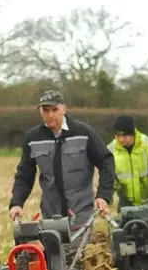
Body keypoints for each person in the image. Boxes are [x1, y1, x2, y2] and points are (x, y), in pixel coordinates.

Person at [8, 90, 115, 236]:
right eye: (46, 110)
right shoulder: (33, 138)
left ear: (64, 109)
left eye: (54, 110)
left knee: (78, 249)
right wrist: (17, 203)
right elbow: (24, 175)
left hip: (81, 211)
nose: (50, 115)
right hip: (51, 213)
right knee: (54, 249)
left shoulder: (84, 133)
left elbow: (106, 162)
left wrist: (103, 195)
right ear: (40, 111)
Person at [106, 115, 148, 210]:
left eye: (124, 136)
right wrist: (106, 201)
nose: (120, 139)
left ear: (132, 134)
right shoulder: (111, 150)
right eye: (118, 135)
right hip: (125, 203)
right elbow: (108, 180)